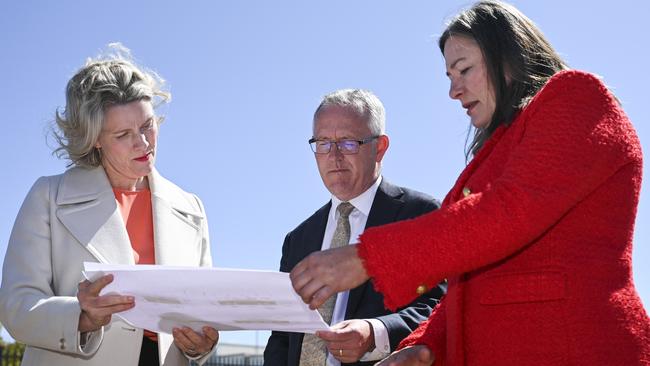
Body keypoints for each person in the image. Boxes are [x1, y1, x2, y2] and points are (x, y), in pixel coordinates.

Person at [289, 2, 650, 365]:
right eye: (449, 76)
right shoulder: (495, 150)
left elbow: (508, 212)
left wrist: (368, 257)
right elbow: (468, 287)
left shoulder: (577, 96)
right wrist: (424, 346)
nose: (454, 91)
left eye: (463, 69)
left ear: (508, 55)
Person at [0, 45, 218, 366]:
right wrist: (81, 316)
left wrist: (201, 345)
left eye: (147, 126)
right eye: (123, 134)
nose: (143, 143)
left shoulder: (191, 207)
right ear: (94, 139)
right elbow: (16, 306)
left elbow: (206, 310)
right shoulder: (48, 196)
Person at [264, 89, 445, 366]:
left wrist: (376, 333)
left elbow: (439, 308)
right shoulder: (298, 239)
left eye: (348, 143)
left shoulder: (420, 214)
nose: (334, 157)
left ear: (380, 147)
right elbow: (281, 337)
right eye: (323, 143)